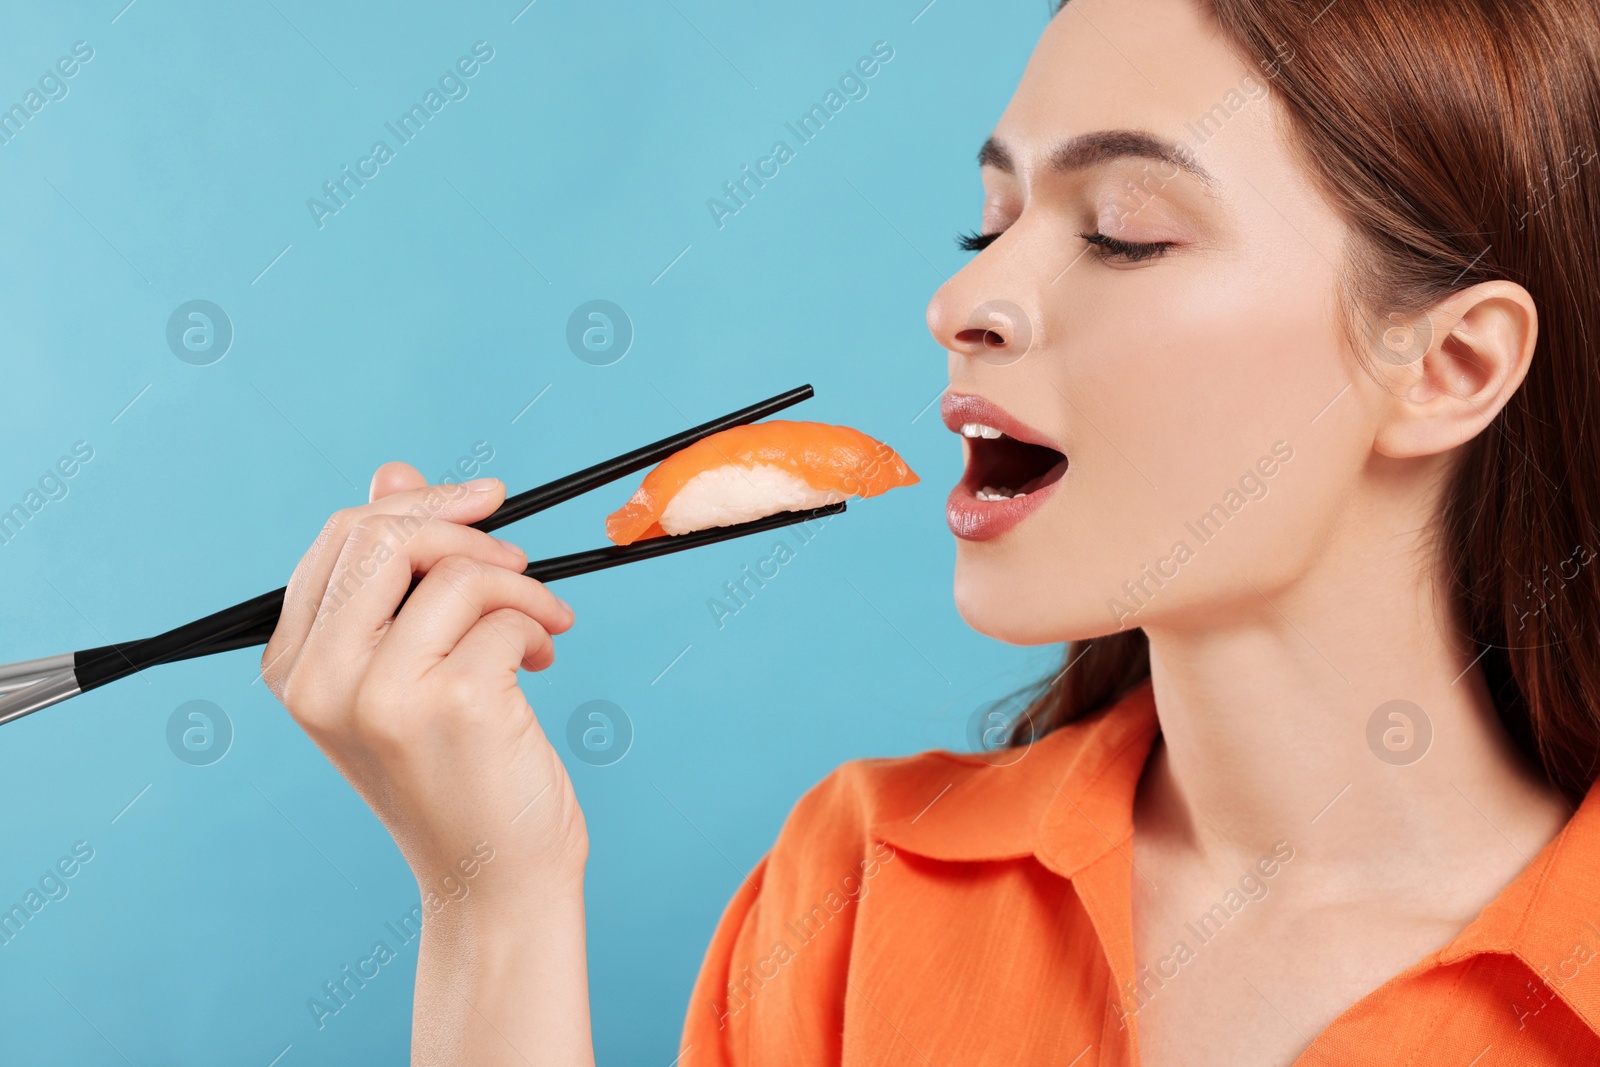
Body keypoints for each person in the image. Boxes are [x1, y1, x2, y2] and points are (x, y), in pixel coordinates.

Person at [261, 0, 1600, 1062]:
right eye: (993, 219)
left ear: (1451, 368)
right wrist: (492, 896)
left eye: (1126, 231)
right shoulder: (858, 890)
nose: (964, 296)